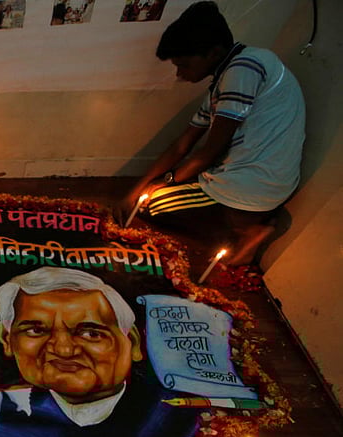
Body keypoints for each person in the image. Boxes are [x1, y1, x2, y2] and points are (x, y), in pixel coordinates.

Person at [0, 267, 198, 437]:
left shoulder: (180, 419)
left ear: (133, 343)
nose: (63, 350)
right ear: (7, 340)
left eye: (90, 333)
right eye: (36, 331)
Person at [124, 1, 305, 266]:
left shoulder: (243, 70)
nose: (180, 75)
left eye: (184, 65)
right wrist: (139, 187)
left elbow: (210, 151)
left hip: (250, 187)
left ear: (213, 52)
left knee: (154, 205)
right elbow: (183, 145)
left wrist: (166, 181)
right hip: (264, 183)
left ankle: (247, 229)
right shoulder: (229, 75)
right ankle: (247, 219)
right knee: (147, 195)